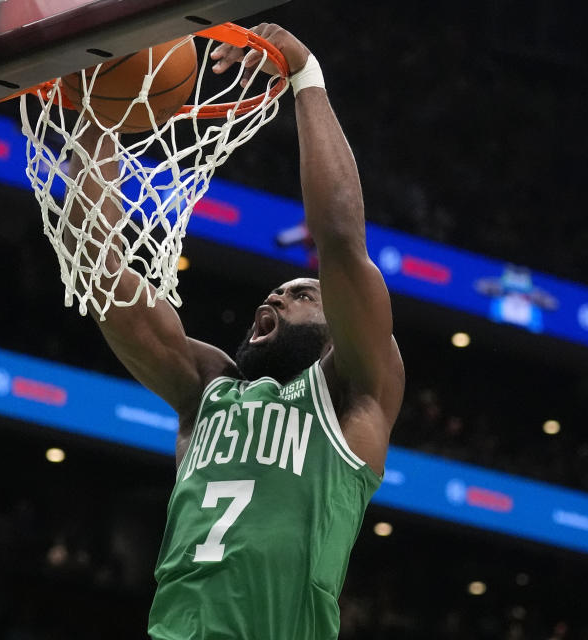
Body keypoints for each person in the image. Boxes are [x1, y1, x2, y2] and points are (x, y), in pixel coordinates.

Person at [69, 23, 405, 640]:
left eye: (304, 295)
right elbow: (108, 281)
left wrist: (305, 75)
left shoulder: (355, 396)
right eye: (279, 291)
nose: (278, 292)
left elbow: (338, 238)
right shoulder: (206, 389)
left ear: (342, 332)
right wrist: (93, 128)